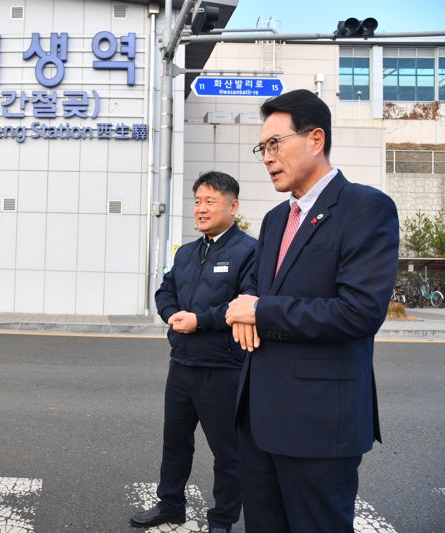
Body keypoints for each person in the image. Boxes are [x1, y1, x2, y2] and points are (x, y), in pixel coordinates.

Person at [225, 89, 399, 532]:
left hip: (319, 425)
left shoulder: (366, 208)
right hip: (259, 419)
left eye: (275, 144)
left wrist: (260, 312)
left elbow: (358, 311)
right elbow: (255, 285)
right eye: (262, 148)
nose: (267, 157)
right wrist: (245, 307)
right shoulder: (274, 219)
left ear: (315, 139)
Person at [130, 172, 255, 533]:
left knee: (227, 452)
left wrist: (199, 321)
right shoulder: (186, 253)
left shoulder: (249, 251)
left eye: (210, 201)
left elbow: (245, 304)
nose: (201, 209)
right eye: (197, 201)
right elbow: (164, 292)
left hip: (223, 367)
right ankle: (171, 505)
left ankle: (222, 520)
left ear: (233, 206)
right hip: (182, 364)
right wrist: (172, 315)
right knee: (175, 442)